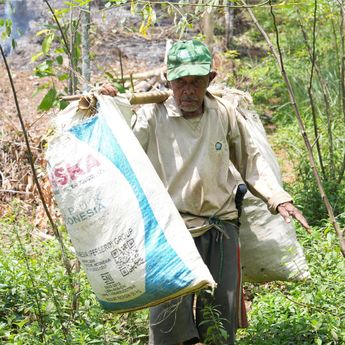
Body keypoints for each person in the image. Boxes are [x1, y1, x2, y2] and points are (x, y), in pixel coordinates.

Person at [101, 39, 309, 345]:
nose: (188, 91)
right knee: (168, 325)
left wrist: (278, 198)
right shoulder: (151, 117)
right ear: (169, 82)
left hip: (221, 226)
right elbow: (121, 149)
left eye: (196, 82)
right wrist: (109, 103)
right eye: (180, 83)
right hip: (171, 231)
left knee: (220, 324)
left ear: (209, 80)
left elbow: (251, 160)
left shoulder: (223, 112)